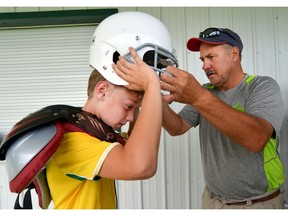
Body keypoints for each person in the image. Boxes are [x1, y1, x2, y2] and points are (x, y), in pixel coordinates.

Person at [45, 11, 178, 209]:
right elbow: (140, 166)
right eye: (128, 107)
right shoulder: (72, 141)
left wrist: (144, 92)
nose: (131, 117)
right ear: (102, 91)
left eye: (135, 109)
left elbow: (134, 145)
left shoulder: (100, 133)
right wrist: (151, 84)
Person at [160, 27, 286, 209]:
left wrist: (197, 97)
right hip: (213, 202)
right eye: (202, 59)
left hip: (259, 203)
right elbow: (176, 127)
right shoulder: (206, 92)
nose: (205, 65)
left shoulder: (261, 87)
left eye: (211, 57)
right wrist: (154, 98)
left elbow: (256, 139)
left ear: (234, 54)